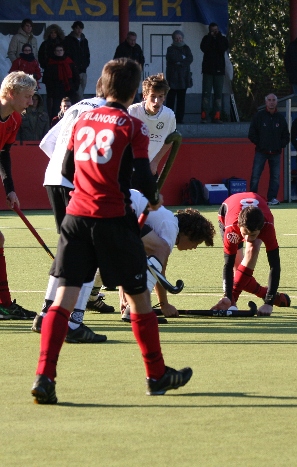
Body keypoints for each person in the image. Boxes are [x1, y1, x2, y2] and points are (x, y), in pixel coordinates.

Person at [31, 58, 193, 405]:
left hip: (76, 217)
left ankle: (45, 377)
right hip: (113, 219)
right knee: (139, 298)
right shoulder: (132, 125)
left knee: (63, 298)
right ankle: (156, 374)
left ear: (104, 86)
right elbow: (142, 176)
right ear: (134, 91)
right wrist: (152, 198)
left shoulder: (81, 119)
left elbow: (68, 169)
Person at [33, 79, 113, 341]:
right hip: (78, 183)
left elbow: (47, 142)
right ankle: (75, 321)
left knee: (68, 248)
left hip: (53, 177)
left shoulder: (78, 106)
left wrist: (60, 167)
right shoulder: (107, 113)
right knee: (90, 250)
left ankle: (45, 314)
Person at [121, 189, 215, 320]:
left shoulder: (166, 221)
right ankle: (137, 308)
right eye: (197, 243)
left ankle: (94, 296)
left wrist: (124, 299)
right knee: (160, 250)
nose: (194, 248)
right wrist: (164, 305)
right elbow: (159, 273)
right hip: (121, 208)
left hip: (113, 207)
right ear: (189, 233)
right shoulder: (171, 228)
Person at [210, 192, 291, 317]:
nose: (247, 239)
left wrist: (269, 303)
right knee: (237, 268)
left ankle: (234, 299)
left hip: (258, 213)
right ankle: (255, 294)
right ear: (239, 226)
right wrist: (227, 296)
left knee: (252, 250)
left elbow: (275, 265)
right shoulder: (232, 228)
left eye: (253, 234)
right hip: (227, 211)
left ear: (261, 229)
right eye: (244, 234)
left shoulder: (267, 227)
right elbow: (228, 265)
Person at [0, 72, 38, 320]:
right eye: (27, 96)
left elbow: (3, 154)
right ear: (11, 93)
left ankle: (3, 304)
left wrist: (10, 189)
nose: (31, 102)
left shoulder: (14, 119)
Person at [128, 74, 176, 174]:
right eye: (153, 96)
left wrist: (155, 162)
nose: (156, 101)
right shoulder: (132, 111)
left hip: (150, 169)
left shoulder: (169, 115)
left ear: (164, 97)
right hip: (129, 169)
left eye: (160, 96)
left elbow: (170, 140)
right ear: (145, 96)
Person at [248, 94, 289, 206]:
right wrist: (261, 144)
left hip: (275, 153)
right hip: (261, 152)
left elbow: (286, 135)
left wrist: (279, 145)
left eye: (273, 100)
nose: (271, 102)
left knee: (275, 177)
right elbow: (251, 133)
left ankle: (272, 198)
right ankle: (252, 198)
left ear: (276, 102)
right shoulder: (259, 116)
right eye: (269, 100)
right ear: (266, 102)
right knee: (256, 175)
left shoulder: (280, 118)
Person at [200, 22, 229, 124]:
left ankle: (216, 116)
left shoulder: (223, 39)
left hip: (219, 71)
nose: (214, 32)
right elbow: (204, 48)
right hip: (208, 70)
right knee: (206, 94)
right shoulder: (206, 39)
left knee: (218, 95)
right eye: (213, 30)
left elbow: (223, 49)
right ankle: (204, 116)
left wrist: (218, 37)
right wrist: (210, 37)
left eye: (216, 30)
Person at [42, 44, 80, 119]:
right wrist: (51, 91)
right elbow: (47, 79)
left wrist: (75, 87)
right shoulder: (51, 63)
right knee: (56, 110)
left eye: (61, 50)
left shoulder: (69, 62)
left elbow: (76, 76)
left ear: (63, 51)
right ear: (54, 52)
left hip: (69, 90)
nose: (59, 52)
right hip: (56, 91)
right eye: (57, 51)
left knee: (71, 109)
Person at [165, 30, 193, 124]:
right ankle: (169, 119)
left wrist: (180, 62)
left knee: (181, 99)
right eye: (176, 38)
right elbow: (172, 59)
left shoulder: (186, 48)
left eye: (180, 38)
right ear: (173, 39)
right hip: (172, 78)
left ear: (182, 38)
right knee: (171, 99)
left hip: (183, 78)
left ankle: (180, 119)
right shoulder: (170, 49)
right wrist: (183, 59)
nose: (178, 40)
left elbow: (190, 59)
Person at [63, 21, 91, 101]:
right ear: (73, 29)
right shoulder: (68, 40)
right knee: (78, 93)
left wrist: (86, 64)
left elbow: (87, 54)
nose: (79, 30)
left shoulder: (84, 41)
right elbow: (67, 54)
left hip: (83, 70)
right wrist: (72, 66)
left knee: (81, 91)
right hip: (74, 70)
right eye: (77, 28)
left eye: (80, 28)